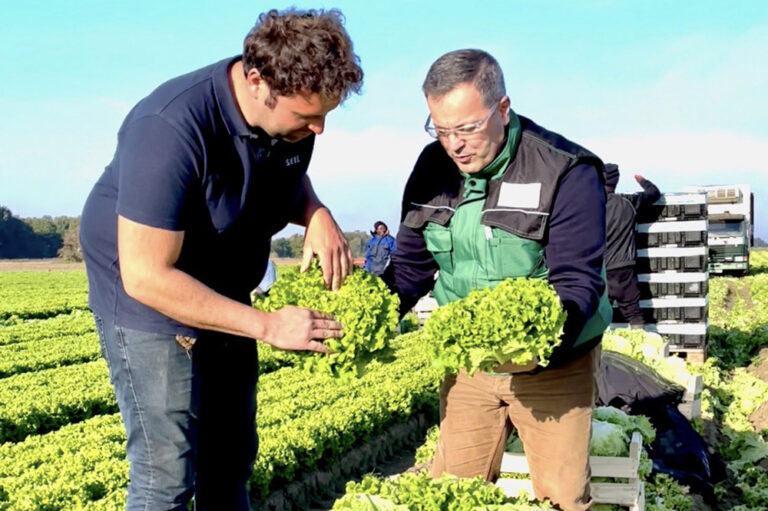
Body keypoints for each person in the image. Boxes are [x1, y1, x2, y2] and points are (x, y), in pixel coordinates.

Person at [79, 9, 363, 510]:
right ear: (257, 82)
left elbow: (284, 173)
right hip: (150, 294)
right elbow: (146, 275)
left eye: (326, 113)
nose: (319, 129)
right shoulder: (168, 128)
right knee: (166, 472)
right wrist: (268, 325)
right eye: (306, 115)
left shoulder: (287, 126)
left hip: (224, 281)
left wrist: (315, 210)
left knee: (230, 457)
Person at [383, 49, 612, 511]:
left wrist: (532, 345)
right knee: (454, 491)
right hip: (470, 366)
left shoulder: (564, 170)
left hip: (553, 366)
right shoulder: (431, 169)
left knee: (562, 496)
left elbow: (576, 283)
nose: (455, 144)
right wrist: (365, 315)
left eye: (467, 128)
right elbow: (410, 270)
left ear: (502, 109)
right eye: (441, 130)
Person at [604, 164, 661, 328]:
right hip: (624, 269)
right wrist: (643, 181)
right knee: (634, 315)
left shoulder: (589, 205)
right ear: (616, 181)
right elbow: (654, 193)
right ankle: (638, 346)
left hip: (599, 271)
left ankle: (597, 351)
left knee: (596, 316)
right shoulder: (627, 202)